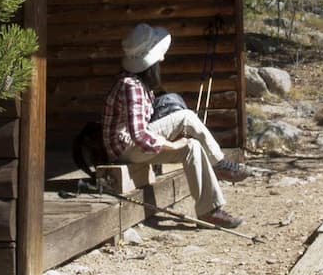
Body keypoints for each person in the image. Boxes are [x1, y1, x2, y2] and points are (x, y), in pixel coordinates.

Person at [101, 22, 249, 229]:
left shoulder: (137, 84)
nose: (162, 60)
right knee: (186, 117)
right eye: (158, 57)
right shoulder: (131, 86)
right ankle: (220, 164)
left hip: (133, 147)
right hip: (126, 149)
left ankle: (209, 211)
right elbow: (139, 135)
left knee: (193, 147)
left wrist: (178, 142)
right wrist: (172, 145)